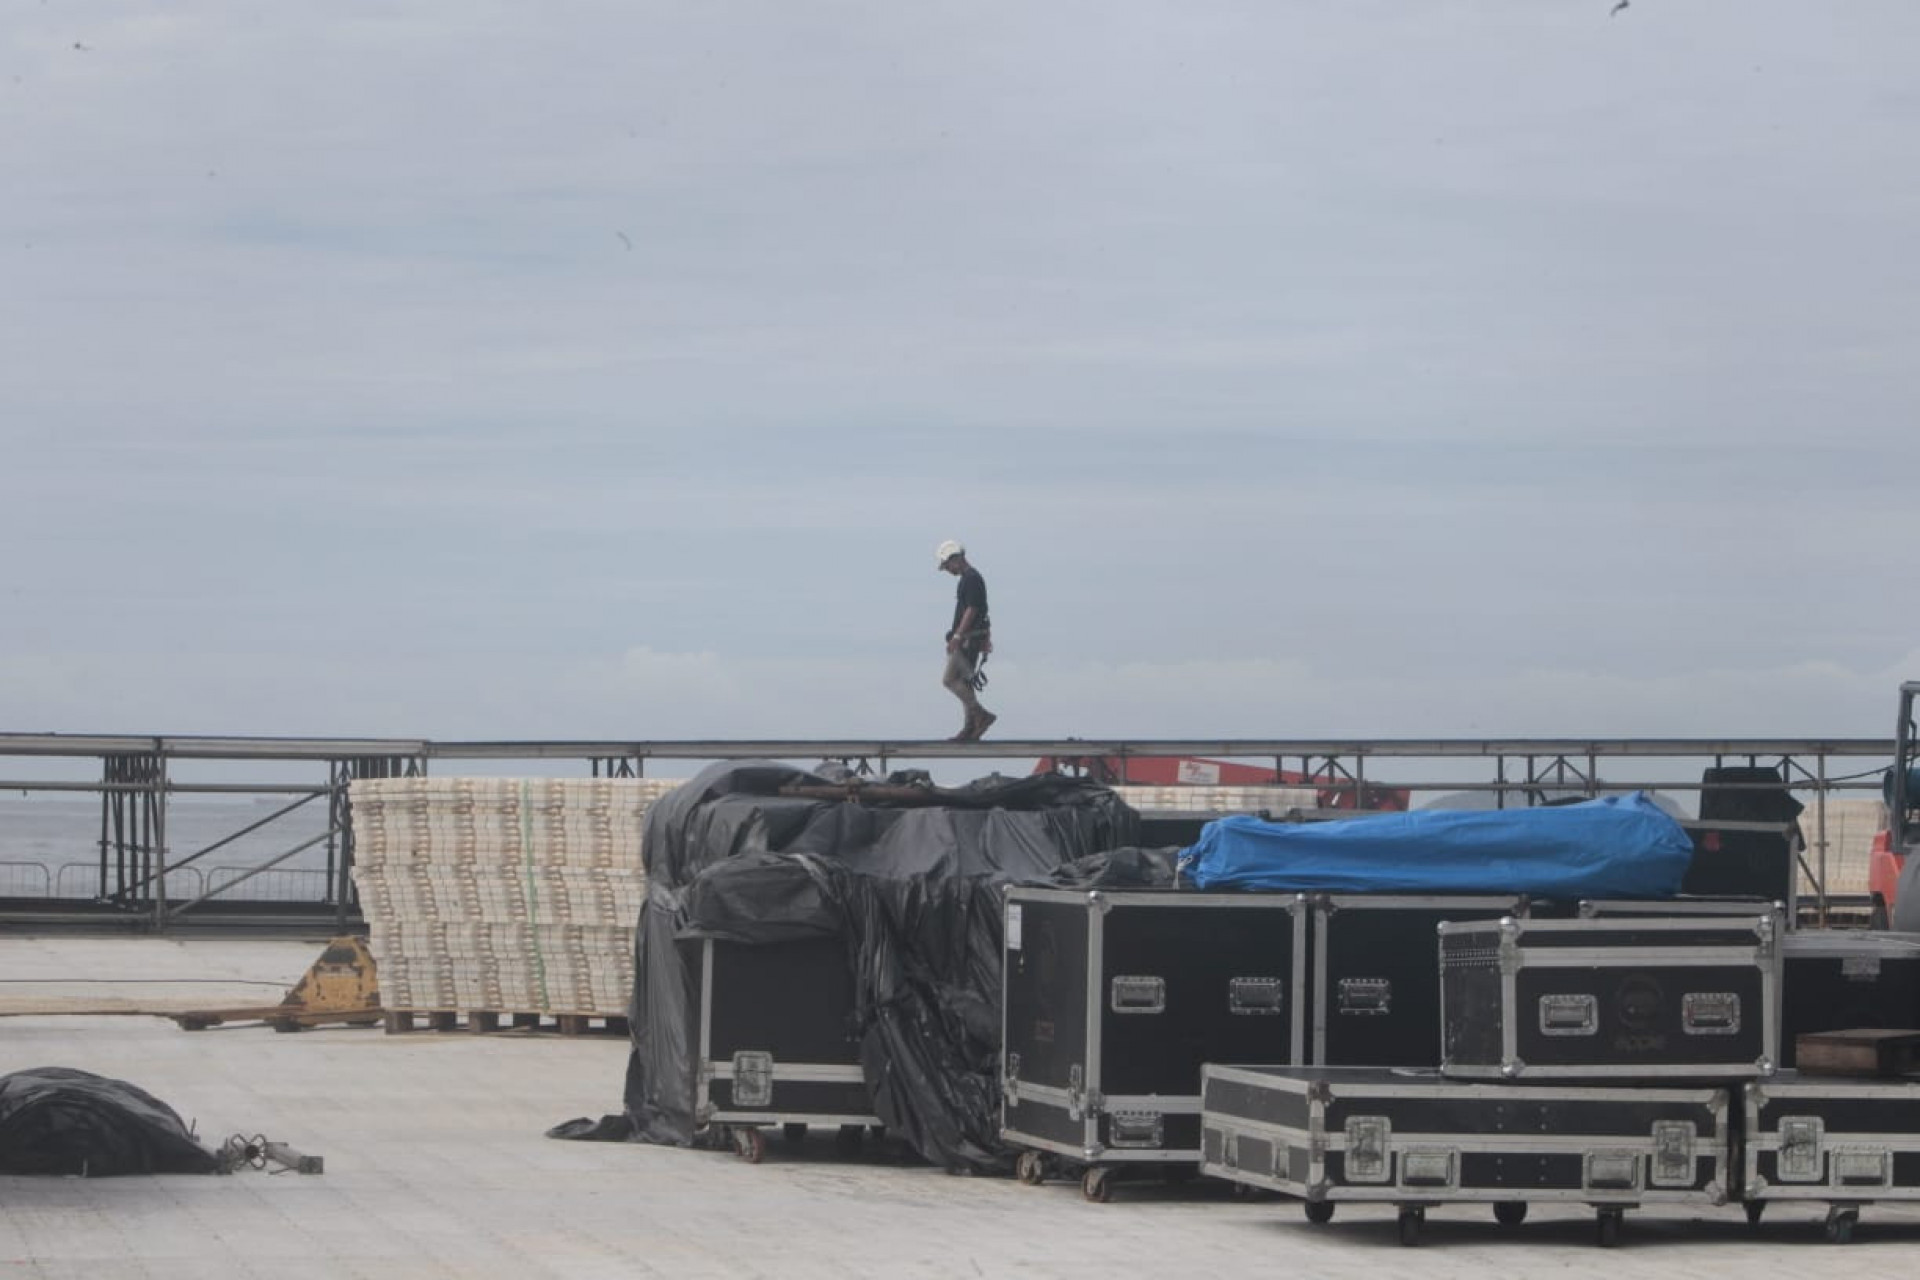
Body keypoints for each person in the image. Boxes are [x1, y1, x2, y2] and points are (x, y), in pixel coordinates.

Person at [936, 539, 996, 741]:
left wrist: (958, 636)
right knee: (965, 683)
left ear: (957, 559)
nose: (948, 570)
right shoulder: (970, 579)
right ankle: (969, 728)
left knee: (950, 680)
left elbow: (972, 609)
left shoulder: (971, 579)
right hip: (971, 638)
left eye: (948, 565)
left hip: (967, 639)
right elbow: (982, 610)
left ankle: (980, 715)